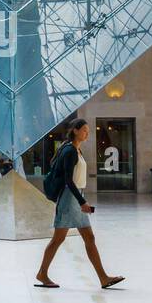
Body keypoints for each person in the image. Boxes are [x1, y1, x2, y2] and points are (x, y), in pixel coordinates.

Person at [35, 118, 124, 290]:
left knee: (89, 237)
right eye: (84, 130)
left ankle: (103, 278)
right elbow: (69, 180)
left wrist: (81, 199)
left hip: (76, 197)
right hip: (69, 199)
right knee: (58, 239)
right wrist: (82, 201)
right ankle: (42, 273)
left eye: (88, 131)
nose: (87, 133)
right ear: (75, 130)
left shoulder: (76, 149)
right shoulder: (70, 151)